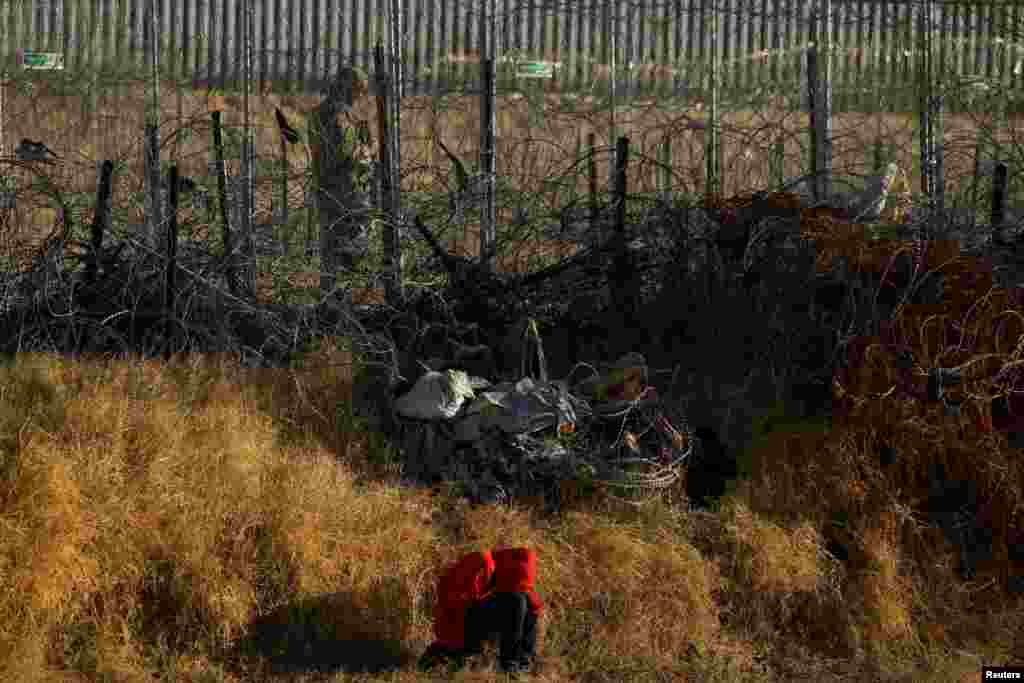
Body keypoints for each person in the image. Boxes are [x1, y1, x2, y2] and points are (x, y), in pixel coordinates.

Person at [307, 65, 374, 309]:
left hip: (325, 189)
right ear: (349, 88)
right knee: (351, 244)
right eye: (359, 92)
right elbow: (345, 156)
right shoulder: (340, 117)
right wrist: (365, 151)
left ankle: (331, 301)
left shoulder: (318, 114)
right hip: (347, 191)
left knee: (330, 248)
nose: (359, 98)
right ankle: (340, 302)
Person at [419, 547, 543, 675]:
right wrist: (464, 644)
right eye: (517, 586)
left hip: (470, 620)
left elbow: (533, 607)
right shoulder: (481, 563)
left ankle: (523, 663)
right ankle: (509, 664)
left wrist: (527, 654)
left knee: (526, 602)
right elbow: (452, 604)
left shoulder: (513, 574)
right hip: (455, 624)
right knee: (517, 600)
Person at [418, 550, 495, 672]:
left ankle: (428, 666)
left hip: (454, 618)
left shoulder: (454, 574)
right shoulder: (482, 564)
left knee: (452, 645)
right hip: (458, 618)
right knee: (457, 646)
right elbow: (474, 590)